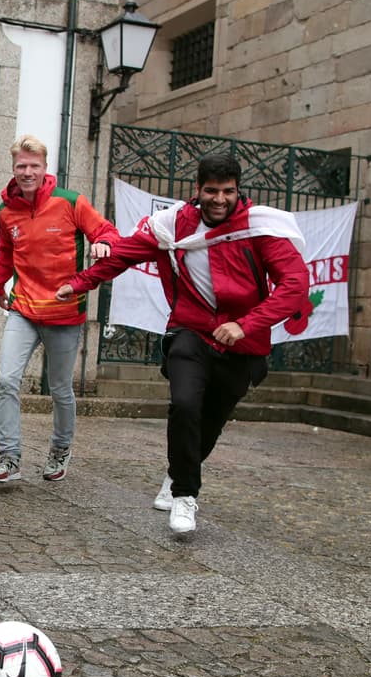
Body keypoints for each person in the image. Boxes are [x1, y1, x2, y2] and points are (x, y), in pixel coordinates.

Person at [57, 153, 308, 533]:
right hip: (190, 331)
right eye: (211, 191)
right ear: (198, 190)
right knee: (186, 403)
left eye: (227, 191)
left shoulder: (260, 228)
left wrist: (245, 324)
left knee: (210, 422)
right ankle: (185, 496)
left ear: (238, 191)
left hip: (243, 342)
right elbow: (123, 253)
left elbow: (295, 286)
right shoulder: (172, 226)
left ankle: (176, 475)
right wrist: (79, 283)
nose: (219, 199)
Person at [0, 135, 117, 485]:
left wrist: (102, 244)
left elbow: (105, 231)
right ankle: (9, 457)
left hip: (64, 312)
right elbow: (5, 255)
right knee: (6, 381)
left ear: (45, 168)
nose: (27, 172)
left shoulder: (70, 202)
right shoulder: (6, 210)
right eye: (21, 166)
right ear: (13, 168)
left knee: (59, 388)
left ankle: (60, 449)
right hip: (24, 309)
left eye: (34, 166)